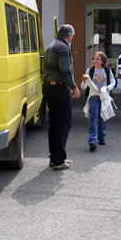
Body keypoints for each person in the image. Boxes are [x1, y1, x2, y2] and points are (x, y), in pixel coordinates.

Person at [43, 24, 80, 170]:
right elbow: (66, 72)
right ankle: (59, 160)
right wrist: (74, 88)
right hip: (59, 87)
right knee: (63, 124)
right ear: (69, 36)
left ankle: (54, 157)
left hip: (48, 87)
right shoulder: (63, 48)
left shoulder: (51, 45)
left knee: (53, 123)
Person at [81, 51, 116, 152]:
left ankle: (101, 136)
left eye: (97, 59)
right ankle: (92, 141)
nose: (95, 61)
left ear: (102, 61)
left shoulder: (107, 71)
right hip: (93, 96)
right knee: (93, 118)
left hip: (104, 96)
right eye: (94, 59)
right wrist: (84, 81)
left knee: (102, 117)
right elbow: (84, 86)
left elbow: (113, 81)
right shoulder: (90, 71)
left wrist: (108, 88)